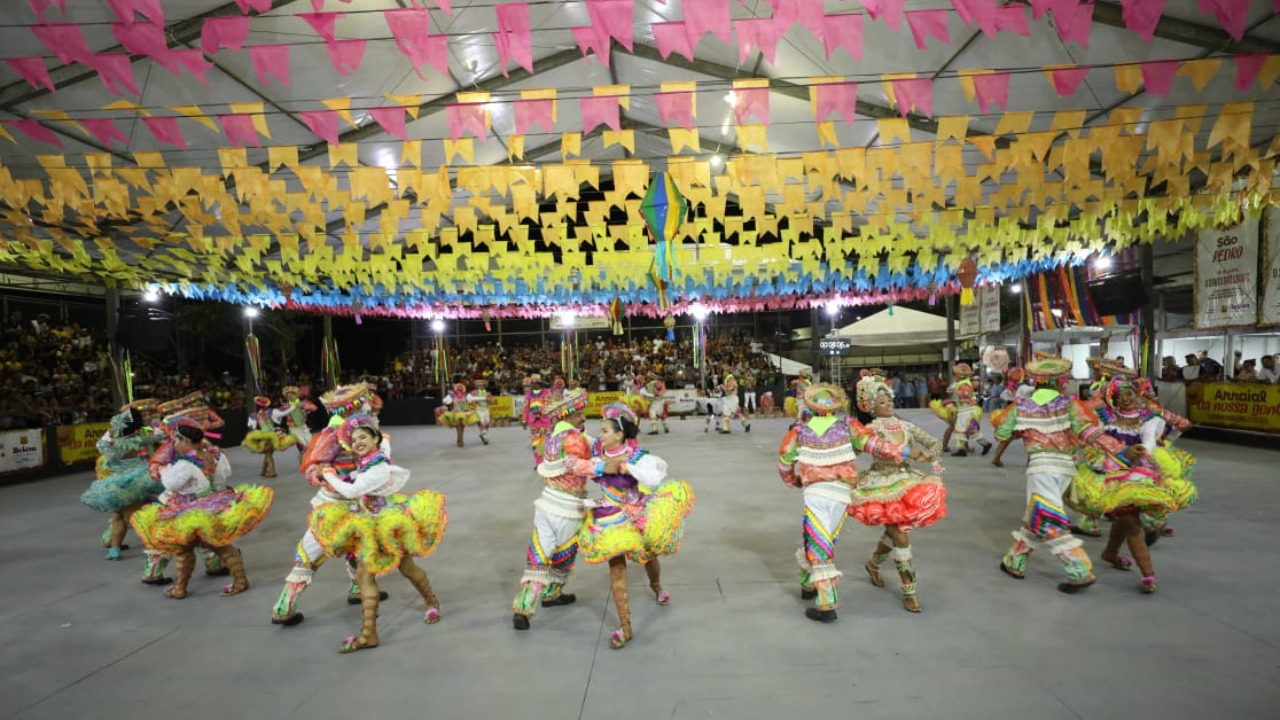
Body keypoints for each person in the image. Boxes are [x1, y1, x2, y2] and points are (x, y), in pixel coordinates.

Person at [308, 415, 447, 652]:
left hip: (386, 525)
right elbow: (361, 475)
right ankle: (368, 633)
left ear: (375, 439)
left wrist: (329, 473)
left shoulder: (379, 467)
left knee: (407, 569)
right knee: (365, 575)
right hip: (367, 522)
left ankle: (431, 602)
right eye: (353, 440)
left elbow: (351, 491)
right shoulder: (369, 460)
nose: (358, 442)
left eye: (363, 437)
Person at [777, 384, 915, 623]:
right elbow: (871, 443)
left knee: (819, 543)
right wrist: (896, 451)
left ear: (811, 406)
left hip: (816, 492)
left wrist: (794, 480)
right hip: (842, 493)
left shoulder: (798, 432)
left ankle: (826, 603)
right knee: (822, 538)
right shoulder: (848, 426)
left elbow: (784, 461)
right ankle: (807, 582)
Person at [995, 355, 1122, 594]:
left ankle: (1079, 570)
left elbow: (1001, 433)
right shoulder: (1071, 405)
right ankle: (1014, 560)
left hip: (1041, 467)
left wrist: (1023, 429)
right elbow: (1089, 433)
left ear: (1036, 381)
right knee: (1037, 514)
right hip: (1066, 468)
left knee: (1048, 519)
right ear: (1060, 381)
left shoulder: (1021, 405)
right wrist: (1120, 451)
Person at [577, 403, 695, 648]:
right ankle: (626, 627)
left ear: (619, 434)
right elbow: (577, 462)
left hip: (634, 512)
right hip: (609, 517)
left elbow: (655, 474)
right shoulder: (599, 451)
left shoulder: (635, 454)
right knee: (617, 568)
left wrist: (628, 467)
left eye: (605, 431)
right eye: (600, 430)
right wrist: (599, 465)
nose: (600, 434)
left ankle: (657, 586)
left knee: (648, 556)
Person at [1069, 377, 1198, 594]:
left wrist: (1141, 452)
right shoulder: (1104, 416)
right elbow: (1091, 439)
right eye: (1119, 396)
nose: (1125, 399)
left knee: (1129, 517)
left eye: (1129, 394)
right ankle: (1148, 574)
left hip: (1140, 472)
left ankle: (1111, 552)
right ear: (1112, 399)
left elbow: (1149, 443)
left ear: (1136, 394)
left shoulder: (1149, 416)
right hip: (1112, 474)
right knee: (1131, 522)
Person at [271, 382, 381, 626]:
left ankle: (358, 589)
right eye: (363, 403)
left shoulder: (363, 429)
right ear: (352, 408)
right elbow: (312, 467)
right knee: (311, 552)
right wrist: (327, 474)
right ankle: (284, 606)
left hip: (362, 502)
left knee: (360, 548)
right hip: (335, 504)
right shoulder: (332, 435)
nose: (368, 406)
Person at [130, 420, 273, 599]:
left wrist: (163, 469)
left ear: (185, 441)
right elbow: (224, 474)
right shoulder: (214, 453)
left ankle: (236, 581)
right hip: (209, 504)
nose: (173, 444)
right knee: (196, 547)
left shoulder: (184, 464)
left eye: (176, 440)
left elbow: (169, 483)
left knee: (202, 547)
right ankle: (182, 587)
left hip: (190, 511)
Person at [851, 374, 947, 613]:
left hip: (906, 483)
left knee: (894, 532)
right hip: (881, 485)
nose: (888, 404)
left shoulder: (906, 425)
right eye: (882, 402)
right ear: (871, 407)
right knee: (901, 537)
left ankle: (873, 564)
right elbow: (854, 452)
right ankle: (910, 592)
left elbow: (934, 443)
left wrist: (928, 455)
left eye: (889, 400)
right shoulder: (870, 429)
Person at [512, 393, 593, 630]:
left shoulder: (550, 439)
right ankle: (551, 593)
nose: (583, 419)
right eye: (580, 415)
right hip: (567, 509)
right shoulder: (576, 439)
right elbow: (591, 463)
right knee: (564, 554)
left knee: (538, 557)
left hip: (545, 504)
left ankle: (523, 607)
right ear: (574, 416)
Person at [80, 404, 165, 560]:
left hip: (115, 483)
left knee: (117, 517)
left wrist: (112, 430)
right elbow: (160, 435)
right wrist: (145, 424)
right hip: (135, 481)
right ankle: (154, 544)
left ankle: (114, 549)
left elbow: (102, 444)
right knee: (133, 517)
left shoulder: (112, 444)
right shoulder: (139, 439)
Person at [242, 395, 297, 478]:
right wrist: (293, 406)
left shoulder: (254, 415)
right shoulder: (272, 412)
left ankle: (264, 471)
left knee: (268, 453)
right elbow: (284, 413)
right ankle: (272, 472)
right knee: (268, 453)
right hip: (269, 436)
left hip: (265, 435)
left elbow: (251, 426)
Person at [946, 363, 992, 457]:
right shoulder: (962, 383)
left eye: (956, 374)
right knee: (971, 430)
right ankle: (984, 444)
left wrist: (956, 393)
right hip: (965, 410)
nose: (955, 376)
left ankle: (962, 449)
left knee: (960, 429)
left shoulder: (964, 384)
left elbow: (965, 395)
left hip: (966, 411)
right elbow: (950, 391)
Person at [523, 375, 555, 465]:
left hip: (545, 421)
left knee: (545, 443)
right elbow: (525, 408)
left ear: (538, 383)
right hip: (533, 422)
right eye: (531, 383)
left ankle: (546, 461)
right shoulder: (528, 394)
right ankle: (539, 463)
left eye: (532, 383)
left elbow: (549, 405)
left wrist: (540, 410)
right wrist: (524, 420)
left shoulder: (547, 393)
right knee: (536, 443)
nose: (531, 385)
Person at [276, 386, 317, 455]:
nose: (290, 396)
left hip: (304, 427)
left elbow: (314, 408)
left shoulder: (302, 403)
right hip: (294, 429)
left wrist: (303, 406)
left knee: (311, 446)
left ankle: (309, 463)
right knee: (303, 448)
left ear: (296, 395)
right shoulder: (286, 406)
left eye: (292, 394)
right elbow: (278, 414)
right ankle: (303, 463)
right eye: (288, 395)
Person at [440, 381, 479, 447]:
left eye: (461, 387)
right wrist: (449, 400)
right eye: (458, 387)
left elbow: (474, 398)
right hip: (456, 413)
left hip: (464, 412)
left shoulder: (466, 395)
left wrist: (484, 399)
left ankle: (460, 439)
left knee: (462, 427)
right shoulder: (452, 395)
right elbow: (445, 400)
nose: (459, 388)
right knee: (458, 427)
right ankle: (460, 440)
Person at [466, 377, 493, 445]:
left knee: (487, 423)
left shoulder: (488, 393)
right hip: (478, 409)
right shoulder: (474, 392)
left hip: (485, 409)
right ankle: (485, 437)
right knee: (482, 423)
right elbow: (469, 399)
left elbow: (491, 401)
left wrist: (489, 400)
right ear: (477, 385)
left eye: (482, 384)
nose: (481, 385)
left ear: (484, 385)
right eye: (479, 384)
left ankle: (482, 434)